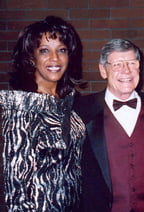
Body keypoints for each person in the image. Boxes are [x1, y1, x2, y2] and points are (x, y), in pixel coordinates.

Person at [0, 16, 86, 211]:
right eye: (44, 51)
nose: (55, 59)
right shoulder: (22, 108)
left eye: (61, 50)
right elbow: (16, 188)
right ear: (31, 58)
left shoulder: (68, 102)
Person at [74, 38, 144, 212]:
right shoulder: (81, 110)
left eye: (131, 63)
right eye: (117, 65)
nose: (126, 71)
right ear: (103, 70)